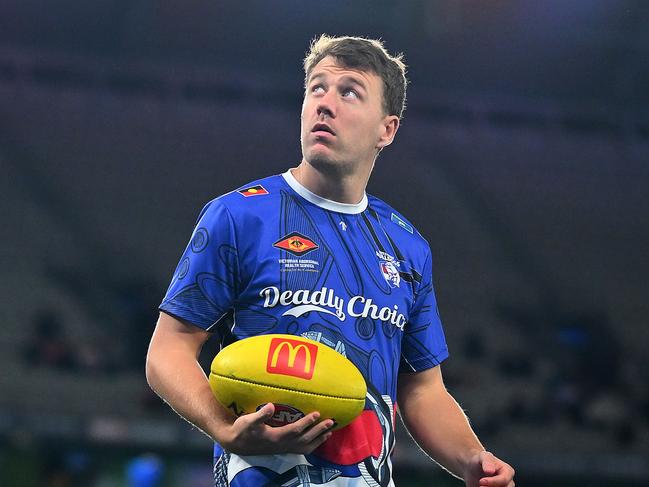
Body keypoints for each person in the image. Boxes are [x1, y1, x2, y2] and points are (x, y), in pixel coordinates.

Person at [146, 34, 515, 487]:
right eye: (316, 88)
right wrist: (221, 427)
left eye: (349, 92)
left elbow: (422, 389)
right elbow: (167, 350)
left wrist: (473, 460)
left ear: (387, 129)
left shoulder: (407, 246)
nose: (325, 104)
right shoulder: (239, 215)